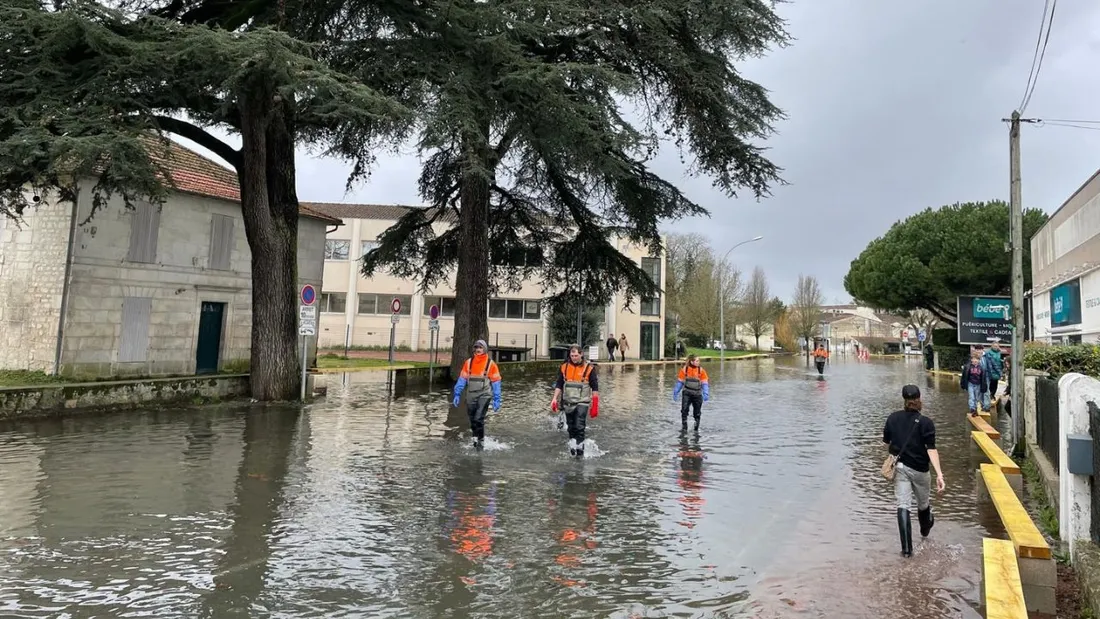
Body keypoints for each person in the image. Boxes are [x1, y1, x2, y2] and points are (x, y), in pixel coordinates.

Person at [882, 384, 944, 558]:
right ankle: (925, 530)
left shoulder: (892, 418)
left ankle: (907, 551)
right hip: (921, 470)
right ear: (919, 399)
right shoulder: (926, 422)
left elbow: (886, 442)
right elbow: (931, 449)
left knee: (903, 505)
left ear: (904, 399)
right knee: (923, 504)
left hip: (900, 468)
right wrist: (939, 474)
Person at [549, 345, 600, 457]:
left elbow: (595, 387)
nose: (574, 358)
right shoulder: (564, 367)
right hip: (568, 401)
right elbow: (559, 384)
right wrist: (554, 398)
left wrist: (595, 404)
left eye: (576, 355)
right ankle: (573, 449)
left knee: (579, 426)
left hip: (582, 402)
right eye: (572, 355)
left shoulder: (589, 368)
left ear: (581, 354)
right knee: (571, 427)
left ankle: (580, 452)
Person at [452, 339, 502, 450]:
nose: (478, 349)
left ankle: (481, 442)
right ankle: (475, 438)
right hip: (471, 394)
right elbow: (462, 379)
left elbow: (496, 382)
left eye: (480, 347)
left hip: (485, 394)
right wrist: (457, 394)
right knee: (472, 419)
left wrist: (497, 399)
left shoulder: (491, 364)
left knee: (479, 418)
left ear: (485, 349)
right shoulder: (468, 363)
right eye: (476, 347)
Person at [672, 355, 710, 430]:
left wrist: (706, 393)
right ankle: (684, 427)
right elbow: (680, 382)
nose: (698, 362)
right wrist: (676, 392)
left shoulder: (701, 371)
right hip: (687, 393)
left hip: (697, 394)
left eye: (699, 361)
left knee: (697, 412)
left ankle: (696, 428)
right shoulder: (685, 370)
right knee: (684, 410)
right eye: (697, 361)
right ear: (692, 362)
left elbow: (704, 383)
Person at [960, 351, 988, 416]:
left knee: (976, 398)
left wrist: (984, 387)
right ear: (971, 359)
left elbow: (983, 378)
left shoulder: (982, 368)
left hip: (978, 384)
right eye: (974, 359)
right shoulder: (968, 367)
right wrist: (963, 384)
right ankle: (972, 408)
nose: (975, 361)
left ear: (979, 360)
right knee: (971, 397)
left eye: (977, 359)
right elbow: (964, 376)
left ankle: (975, 409)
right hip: (970, 383)